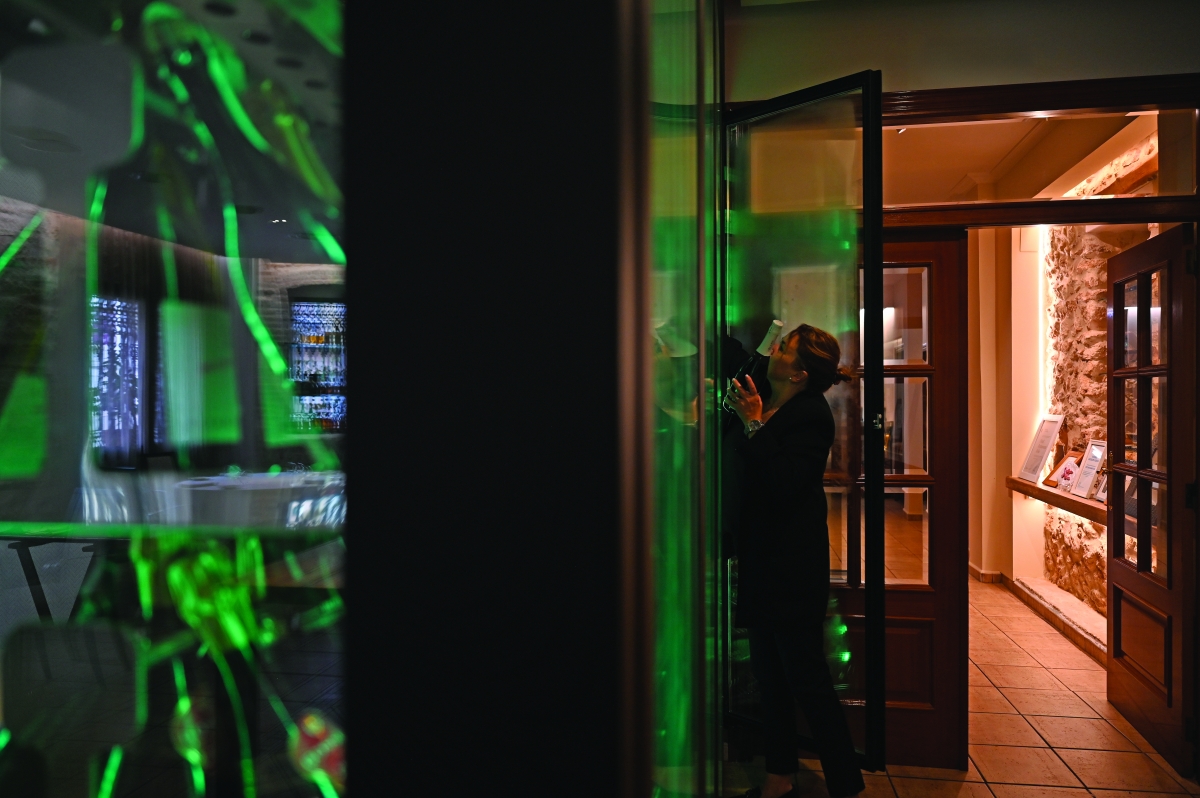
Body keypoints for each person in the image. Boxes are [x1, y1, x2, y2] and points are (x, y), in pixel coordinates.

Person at [723, 323, 861, 798]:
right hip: (761, 560)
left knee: (807, 678)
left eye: (784, 348)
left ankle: (846, 784)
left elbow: (785, 482)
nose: (774, 349)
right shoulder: (765, 396)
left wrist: (754, 424)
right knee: (769, 676)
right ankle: (778, 779)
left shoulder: (811, 415)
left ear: (799, 373)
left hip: (792, 567)